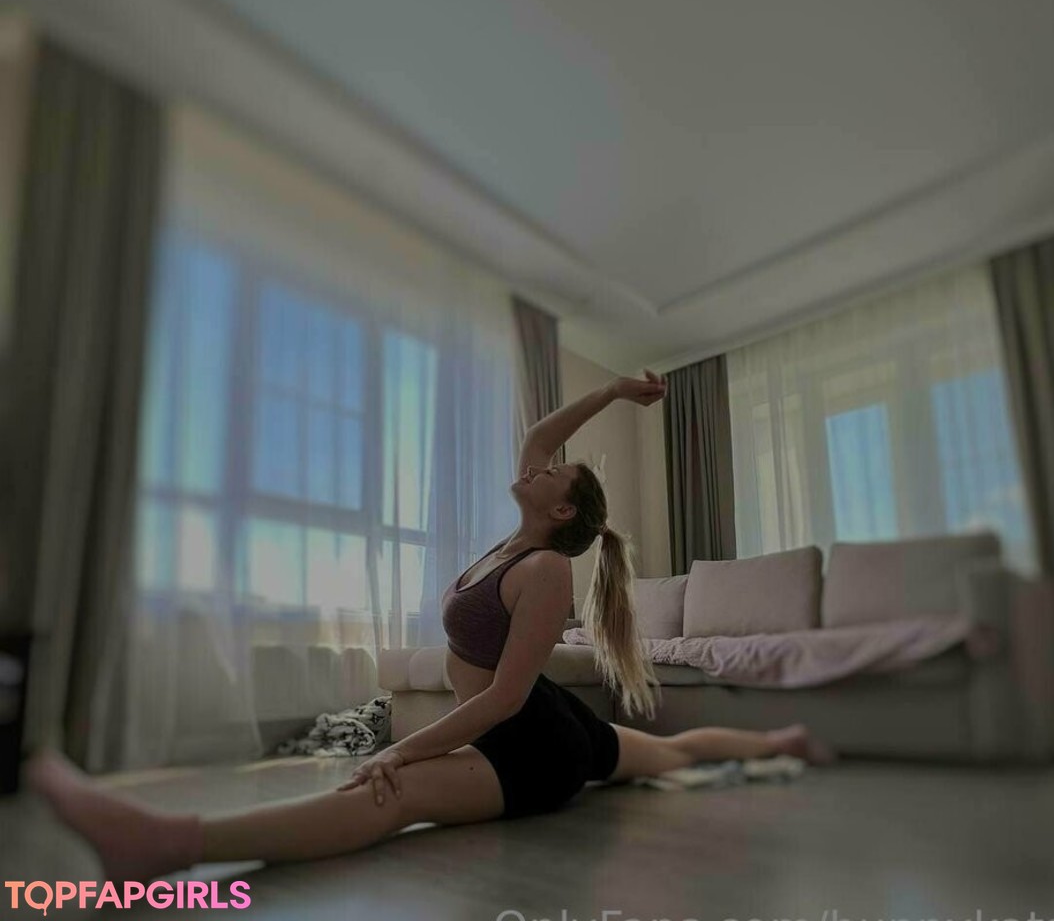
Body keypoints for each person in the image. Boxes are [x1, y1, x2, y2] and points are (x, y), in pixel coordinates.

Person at [27, 370, 834, 882]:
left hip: (533, 744)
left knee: (391, 793)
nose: (539, 464)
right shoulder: (511, 546)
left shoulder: (546, 571)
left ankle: (164, 843)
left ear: (560, 511)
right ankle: (781, 739)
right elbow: (542, 435)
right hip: (547, 721)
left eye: (554, 473)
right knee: (673, 752)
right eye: (547, 462)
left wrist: (401, 748)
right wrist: (617, 391)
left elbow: (505, 698)